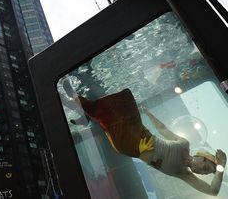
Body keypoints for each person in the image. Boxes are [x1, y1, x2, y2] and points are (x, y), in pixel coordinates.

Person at [63, 80, 226, 196]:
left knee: (106, 117)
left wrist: (220, 168)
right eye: (206, 168)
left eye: (205, 174)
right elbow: (162, 129)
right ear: (202, 157)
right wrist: (147, 112)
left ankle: (80, 104)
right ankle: (86, 114)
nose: (203, 172)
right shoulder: (185, 144)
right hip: (141, 131)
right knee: (123, 102)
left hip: (131, 146)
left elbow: (212, 191)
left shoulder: (184, 174)